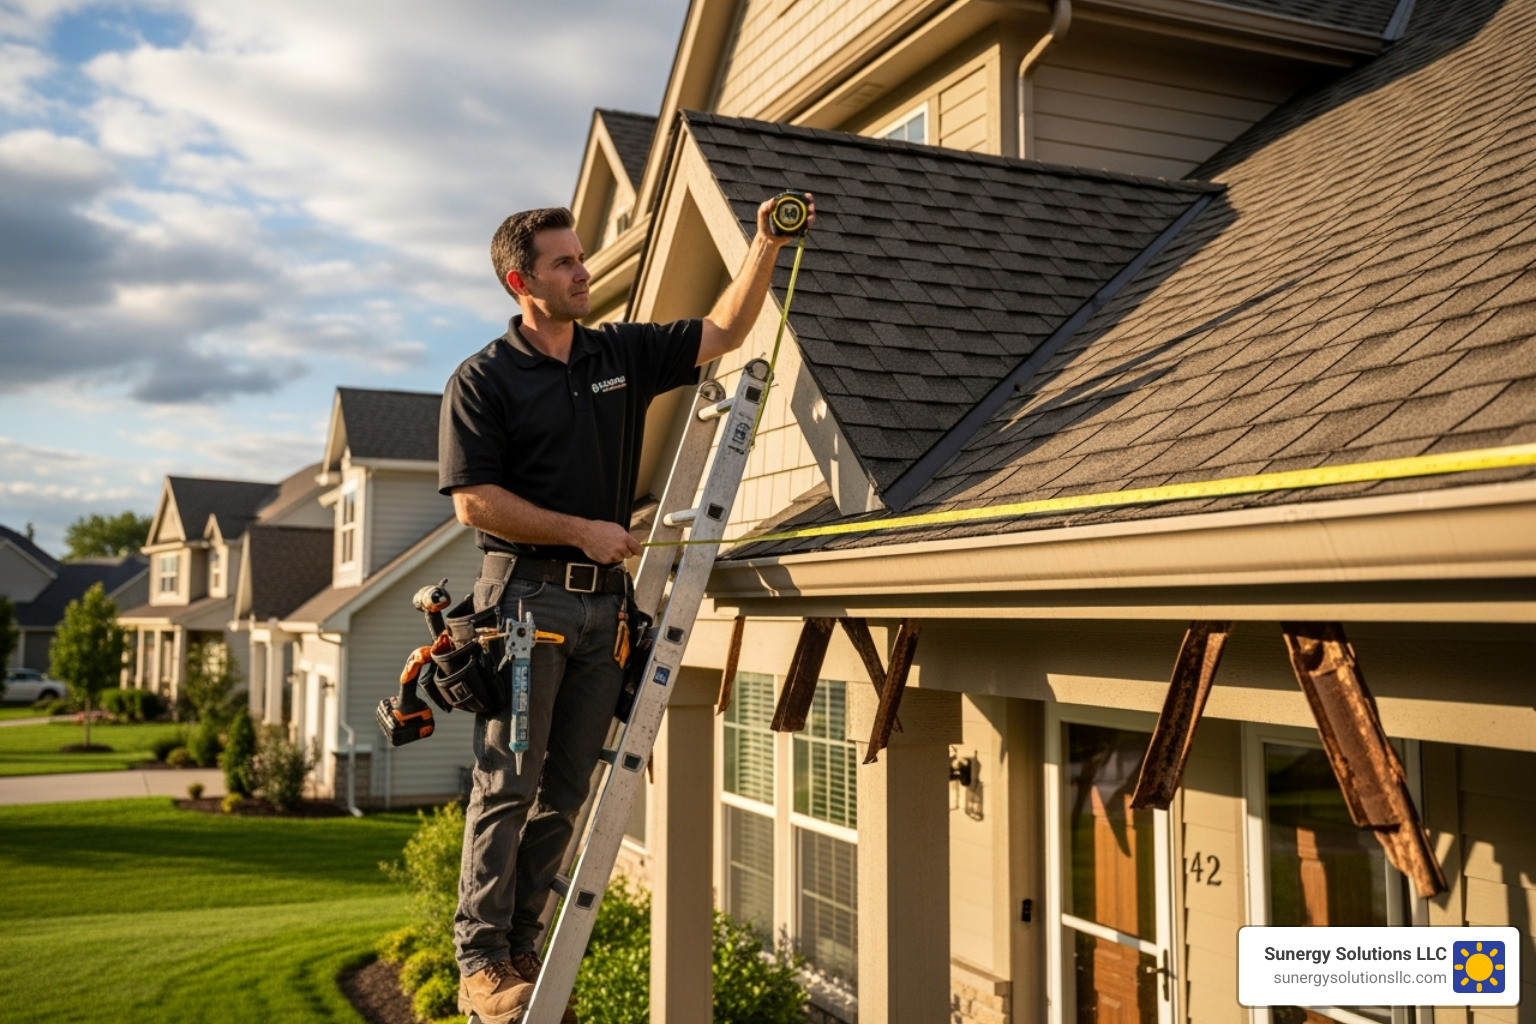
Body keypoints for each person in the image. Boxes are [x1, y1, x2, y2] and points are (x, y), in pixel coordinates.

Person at [438, 194, 813, 1024]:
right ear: (521, 281)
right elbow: (474, 504)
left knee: (567, 789)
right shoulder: (484, 379)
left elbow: (723, 331)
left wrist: (764, 246)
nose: (584, 271)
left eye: (582, 256)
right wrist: (583, 531)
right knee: (509, 783)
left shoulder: (619, 353)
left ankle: (522, 946)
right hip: (525, 608)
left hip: (603, 615)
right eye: (566, 262)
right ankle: (480, 963)